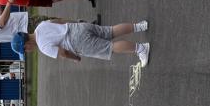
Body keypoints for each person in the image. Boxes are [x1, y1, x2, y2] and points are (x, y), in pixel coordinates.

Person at [12, 19, 150, 67]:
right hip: (76, 27)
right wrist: (75, 23)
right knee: (110, 31)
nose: (28, 51)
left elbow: (63, 52)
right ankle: (140, 26)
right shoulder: (40, 26)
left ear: (26, 45)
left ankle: (141, 48)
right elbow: (59, 20)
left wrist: (75, 58)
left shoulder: (43, 46)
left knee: (110, 47)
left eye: (25, 50)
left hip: (77, 43)